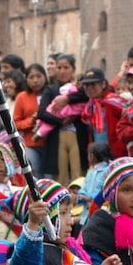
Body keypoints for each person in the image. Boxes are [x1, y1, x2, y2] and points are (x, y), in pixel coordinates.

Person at [36, 54, 87, 184]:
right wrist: (61, 121)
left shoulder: (81, 87)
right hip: (56, 138)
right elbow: (41, 113)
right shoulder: (51, 89)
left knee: (78, 171)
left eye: (66, 67)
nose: (62, 71)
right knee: (60, 174)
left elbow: (86, 97)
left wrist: (68, 99)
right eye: (59, 68)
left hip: (79, 136)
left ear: (73, 69)